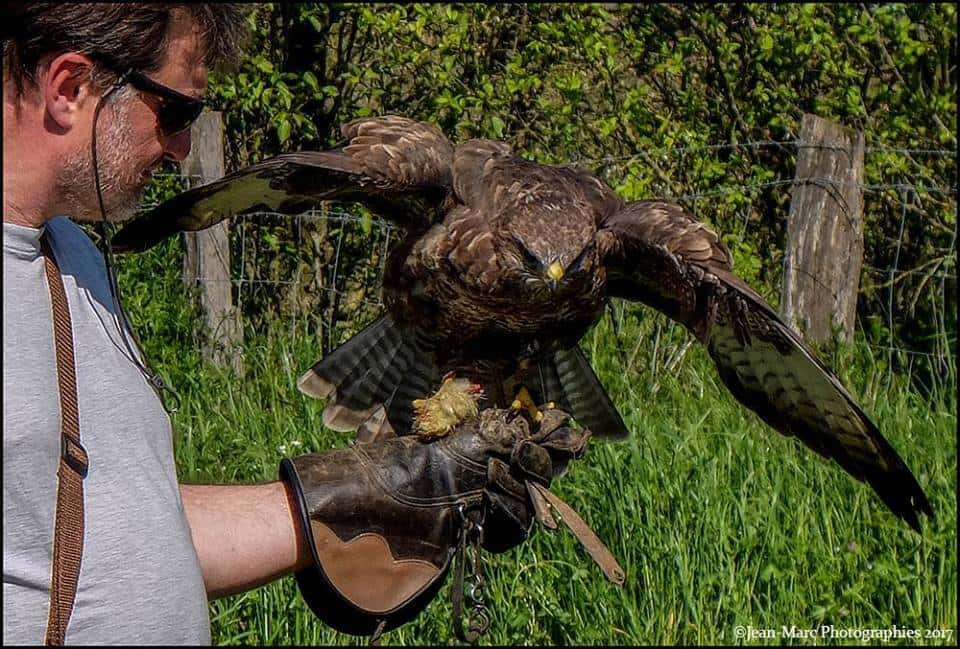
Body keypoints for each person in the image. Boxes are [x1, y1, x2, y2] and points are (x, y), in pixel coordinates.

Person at [3, 4, 579, 644]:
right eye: (177, 112)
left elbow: (119, 532)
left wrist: (388, 490)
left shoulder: (71, 257)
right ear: (70, 87)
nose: (184, 148)